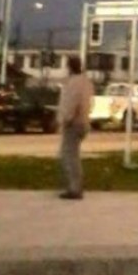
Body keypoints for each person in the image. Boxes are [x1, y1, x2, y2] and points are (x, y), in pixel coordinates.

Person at [57, 55, 94, 200]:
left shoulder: (73, 83)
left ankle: (75, 188)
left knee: (69, 156)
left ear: (70, 67)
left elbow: (71, 103)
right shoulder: (86, 83)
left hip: (73, 123)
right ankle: (75, 185)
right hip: (83, 122)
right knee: (73, 155)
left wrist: (65, 119)